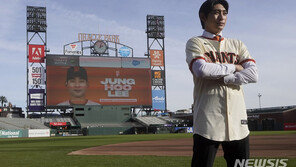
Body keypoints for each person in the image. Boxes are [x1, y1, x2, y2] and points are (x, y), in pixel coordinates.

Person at [185, 0, 258, 167]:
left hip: (238, 123)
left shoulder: (237, 44)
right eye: (216, 12)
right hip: (208, 123)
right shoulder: (195, 42)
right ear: (203, 17)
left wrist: (226, 78)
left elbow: (253, 74)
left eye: (225, 13)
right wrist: (235, 67)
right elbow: (202, 70)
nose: (222, 17)